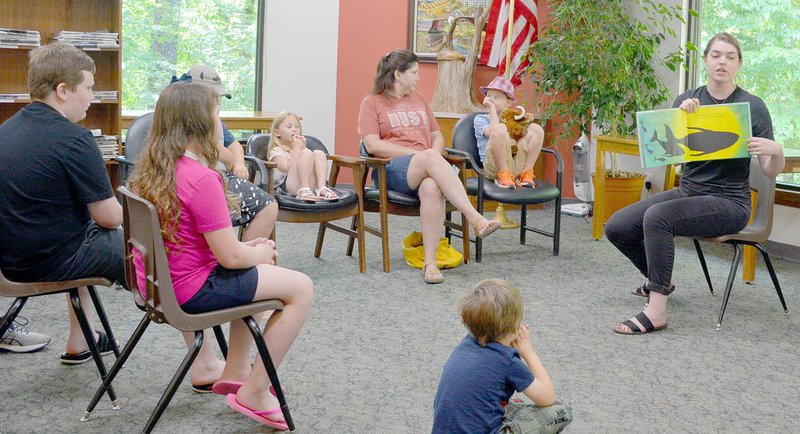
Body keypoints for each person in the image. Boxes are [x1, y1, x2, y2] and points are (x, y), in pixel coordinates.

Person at [129, 81, 312, 430]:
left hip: (159, 285)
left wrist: (251, 252)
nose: (219, 123)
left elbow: (217, 250)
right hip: (192, 290)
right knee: (300, 288)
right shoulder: (201, 178)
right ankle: (254, 390)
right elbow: (230, 258)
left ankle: (237, 372)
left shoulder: (151, 170)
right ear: (200, 124)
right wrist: (258, 253)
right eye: (216, 115)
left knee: (261, 278)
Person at [606, 32, 785, 335]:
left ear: (739, 63)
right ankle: (658, 279)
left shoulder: (753, 106)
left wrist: (776, 152)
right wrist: (679, 120)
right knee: (617, 226)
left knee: (658, 218)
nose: (722, 62)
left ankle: (657, 309)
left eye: (730, 56)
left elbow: (770, 171)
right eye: (716, 55)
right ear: (705, 60)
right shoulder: (688, 100)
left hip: (730, 202)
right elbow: (675, 161)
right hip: (689, 191)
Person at [0, 42, 123, 363]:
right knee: (148, 246)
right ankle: (202, 352)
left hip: (10, 260)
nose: (93, 96)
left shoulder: (6, 132)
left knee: (80, 230)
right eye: (89, 87)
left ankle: (81, 339)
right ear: (64, 90)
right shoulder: (75, 140)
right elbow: (109, 218)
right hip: (50, 260)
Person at [358, 49, 500, 284]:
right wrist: (421, 154)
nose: (418, 77)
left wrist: (430, 154)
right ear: (397, 75)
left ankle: (430, 264)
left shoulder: (419, 99)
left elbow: (437, 135)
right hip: (391, 171)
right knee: (431, 159)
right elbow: (372, 145)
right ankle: (476, 219)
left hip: (425, 167)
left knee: (432, 187)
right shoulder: (372, 103)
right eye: (414, 72)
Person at [432, 279, 571, 433]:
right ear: (514, 327)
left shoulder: (466, 343)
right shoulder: (507, 361)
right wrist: (528, 352)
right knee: (560, 412)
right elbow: (547, 397)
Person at [175, 65, 278, 243]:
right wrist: (231, 160)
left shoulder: (211, 116)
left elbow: (234, 145)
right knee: (267, 206)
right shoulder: (192, 118)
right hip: (202, 181)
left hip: (215, 177)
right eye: (214, 97)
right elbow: (215, 151)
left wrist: (238, 163)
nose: (217, 102)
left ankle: (241, 254)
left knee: (267, 204)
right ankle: (239, 258)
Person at [475, 76, 545, 188]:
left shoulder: (512, 119)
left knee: (536, 129)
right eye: (489, 96)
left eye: (497, 97)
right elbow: (493, 131)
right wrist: (492, 109)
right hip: (493, 167)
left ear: (508, 103)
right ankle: (504, 173)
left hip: (515, 164)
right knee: (500, 128)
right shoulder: (480, 119)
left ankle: (527, 173)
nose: (491, 100)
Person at [267, 111, 340, 201]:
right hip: (287, 188)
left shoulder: (300, 148)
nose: (294, 129)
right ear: (277, 132)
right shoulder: (277, 150)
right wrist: (298, 150)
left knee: (319, 153)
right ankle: (303, 189)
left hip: (310, 186)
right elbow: (286, 167)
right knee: (307, 153)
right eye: (289, 126)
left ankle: (321, 188)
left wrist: (302, 148)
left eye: (297, 126)